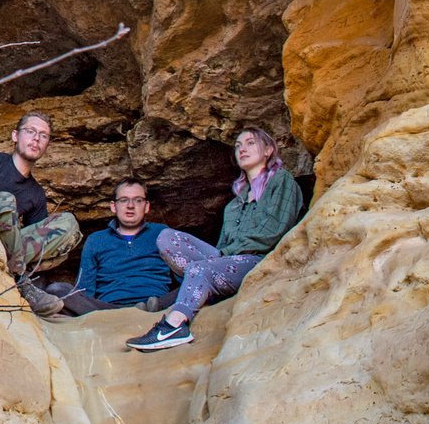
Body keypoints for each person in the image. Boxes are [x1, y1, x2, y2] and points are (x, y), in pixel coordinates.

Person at [127, 128, 304, 351]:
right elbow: (221, 246)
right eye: (238, 146)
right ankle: (204, 287)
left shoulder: (281, 181)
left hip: (259, 261)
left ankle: (174, 326)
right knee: (167, 239)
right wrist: (220, 258)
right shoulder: (234, 204)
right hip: (227, 262)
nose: (242, 149)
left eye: (250, 143)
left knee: (199, 270)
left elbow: (274, 231)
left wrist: (220, 259)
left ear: (268, 150)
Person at [0, 112, 82, 315]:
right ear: (15, 136)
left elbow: (34, 241)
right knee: (5, 200)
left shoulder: (36, 194)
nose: (36, 138)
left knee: (69, 224)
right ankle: (20, 281)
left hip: (1, 251)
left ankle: (18, 277)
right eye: (30, 131)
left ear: (47, 145)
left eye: (43, 135)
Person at [44, 178, 175, 316]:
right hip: (108, 308)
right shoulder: (96, 240)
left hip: (156, 303)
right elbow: (84, 290)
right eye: (124, 200)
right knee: (56, 290)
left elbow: (185, 276)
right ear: (113, 206)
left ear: (146, 206)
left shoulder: (162, 233)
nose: (130, 205)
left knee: (197, 276)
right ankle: (124, 313)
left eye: (138, 200)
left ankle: (150, 308)